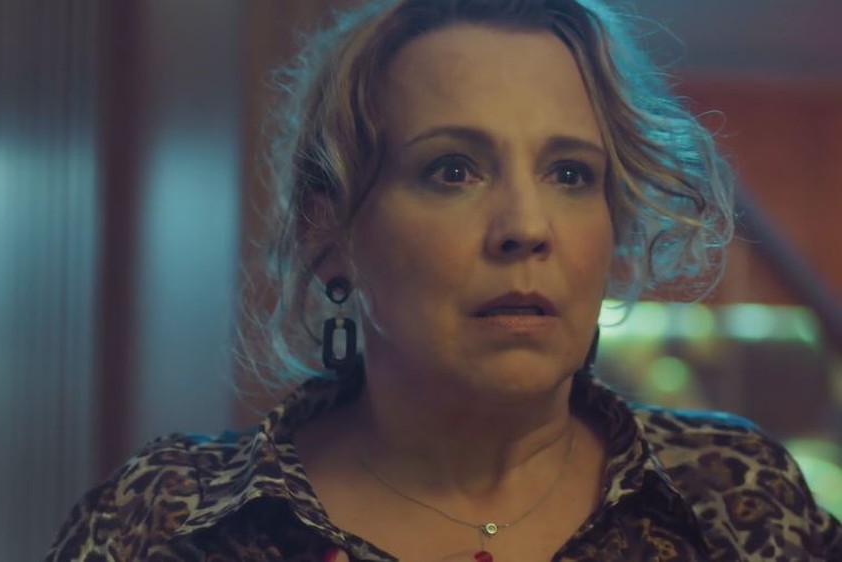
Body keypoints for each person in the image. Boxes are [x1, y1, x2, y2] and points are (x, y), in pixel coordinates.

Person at [47, 0, 842, 560]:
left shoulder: (734, 503)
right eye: (453, 170)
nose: (526, 226)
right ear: (332, 233)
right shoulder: (170, 522)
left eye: (570, 173)